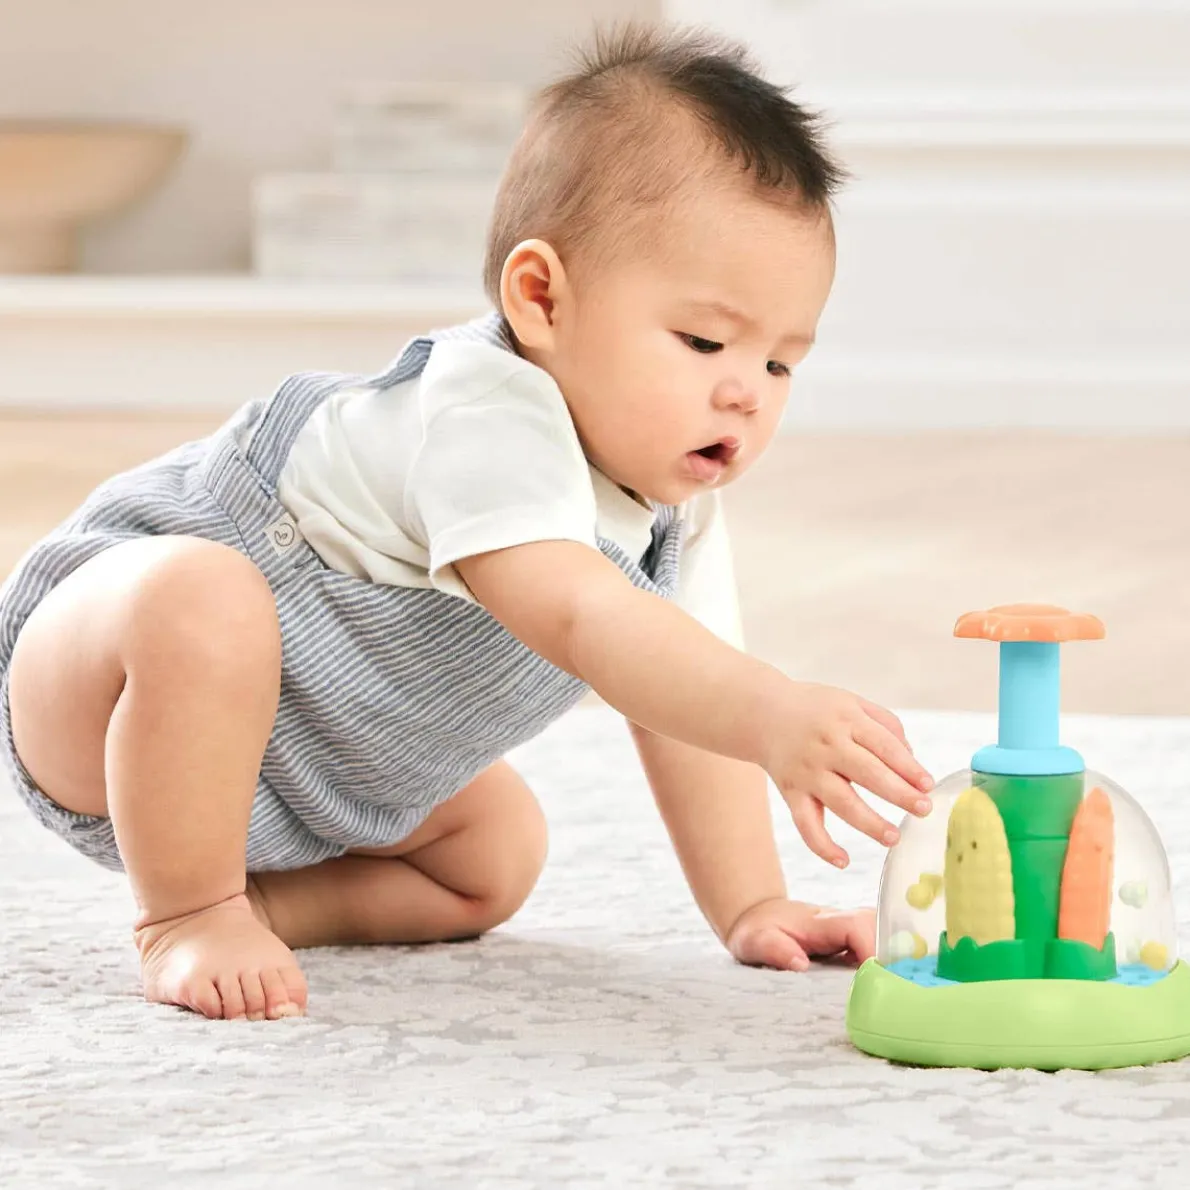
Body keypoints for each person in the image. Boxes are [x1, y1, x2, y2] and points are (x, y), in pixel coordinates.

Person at [0, 22, 934, 1022]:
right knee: (201, 595)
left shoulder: (676, 519)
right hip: (103, 699)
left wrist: (751, 903)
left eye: (780, 361)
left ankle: (259, 902)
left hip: (306, 785)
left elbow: (679, 697)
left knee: (495, 856)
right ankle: (187, 913)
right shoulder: (487, 408)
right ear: (539, 300)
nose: (746, 391)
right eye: (705, 341)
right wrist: (771, 711)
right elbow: (579, 614)